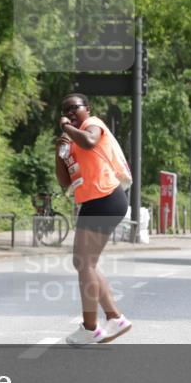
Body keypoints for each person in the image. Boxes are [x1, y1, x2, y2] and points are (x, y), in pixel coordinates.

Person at [55, 93, 132, 345]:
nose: (69, 113)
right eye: (65, 110)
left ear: (87, 109)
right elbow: (65, 182)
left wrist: (66, 126)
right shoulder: (71, 141)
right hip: (94, 201)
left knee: (84, 263)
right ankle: (115, 318)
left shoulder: (93, 125)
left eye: (74, 108)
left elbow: (89, 142)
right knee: (84, 262)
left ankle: (91, 328)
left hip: (106, 197)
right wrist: (60, 152)